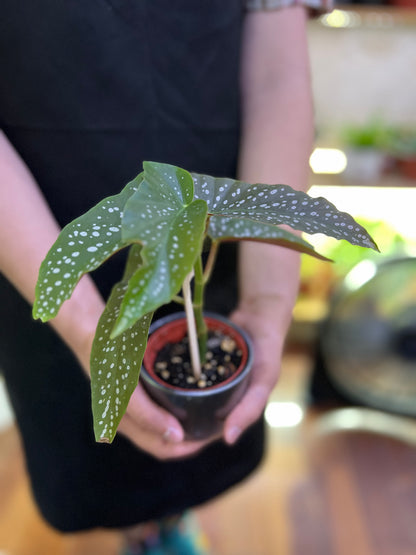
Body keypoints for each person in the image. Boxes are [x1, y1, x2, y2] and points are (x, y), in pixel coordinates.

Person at [0, 0, 331, 552]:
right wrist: (89, 331)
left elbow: (278, 71)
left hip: (219, 197)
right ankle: (140, 530)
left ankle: (168, 522)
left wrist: (270, 295)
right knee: (85, 443)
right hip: (35, 224)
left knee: (202, 419)